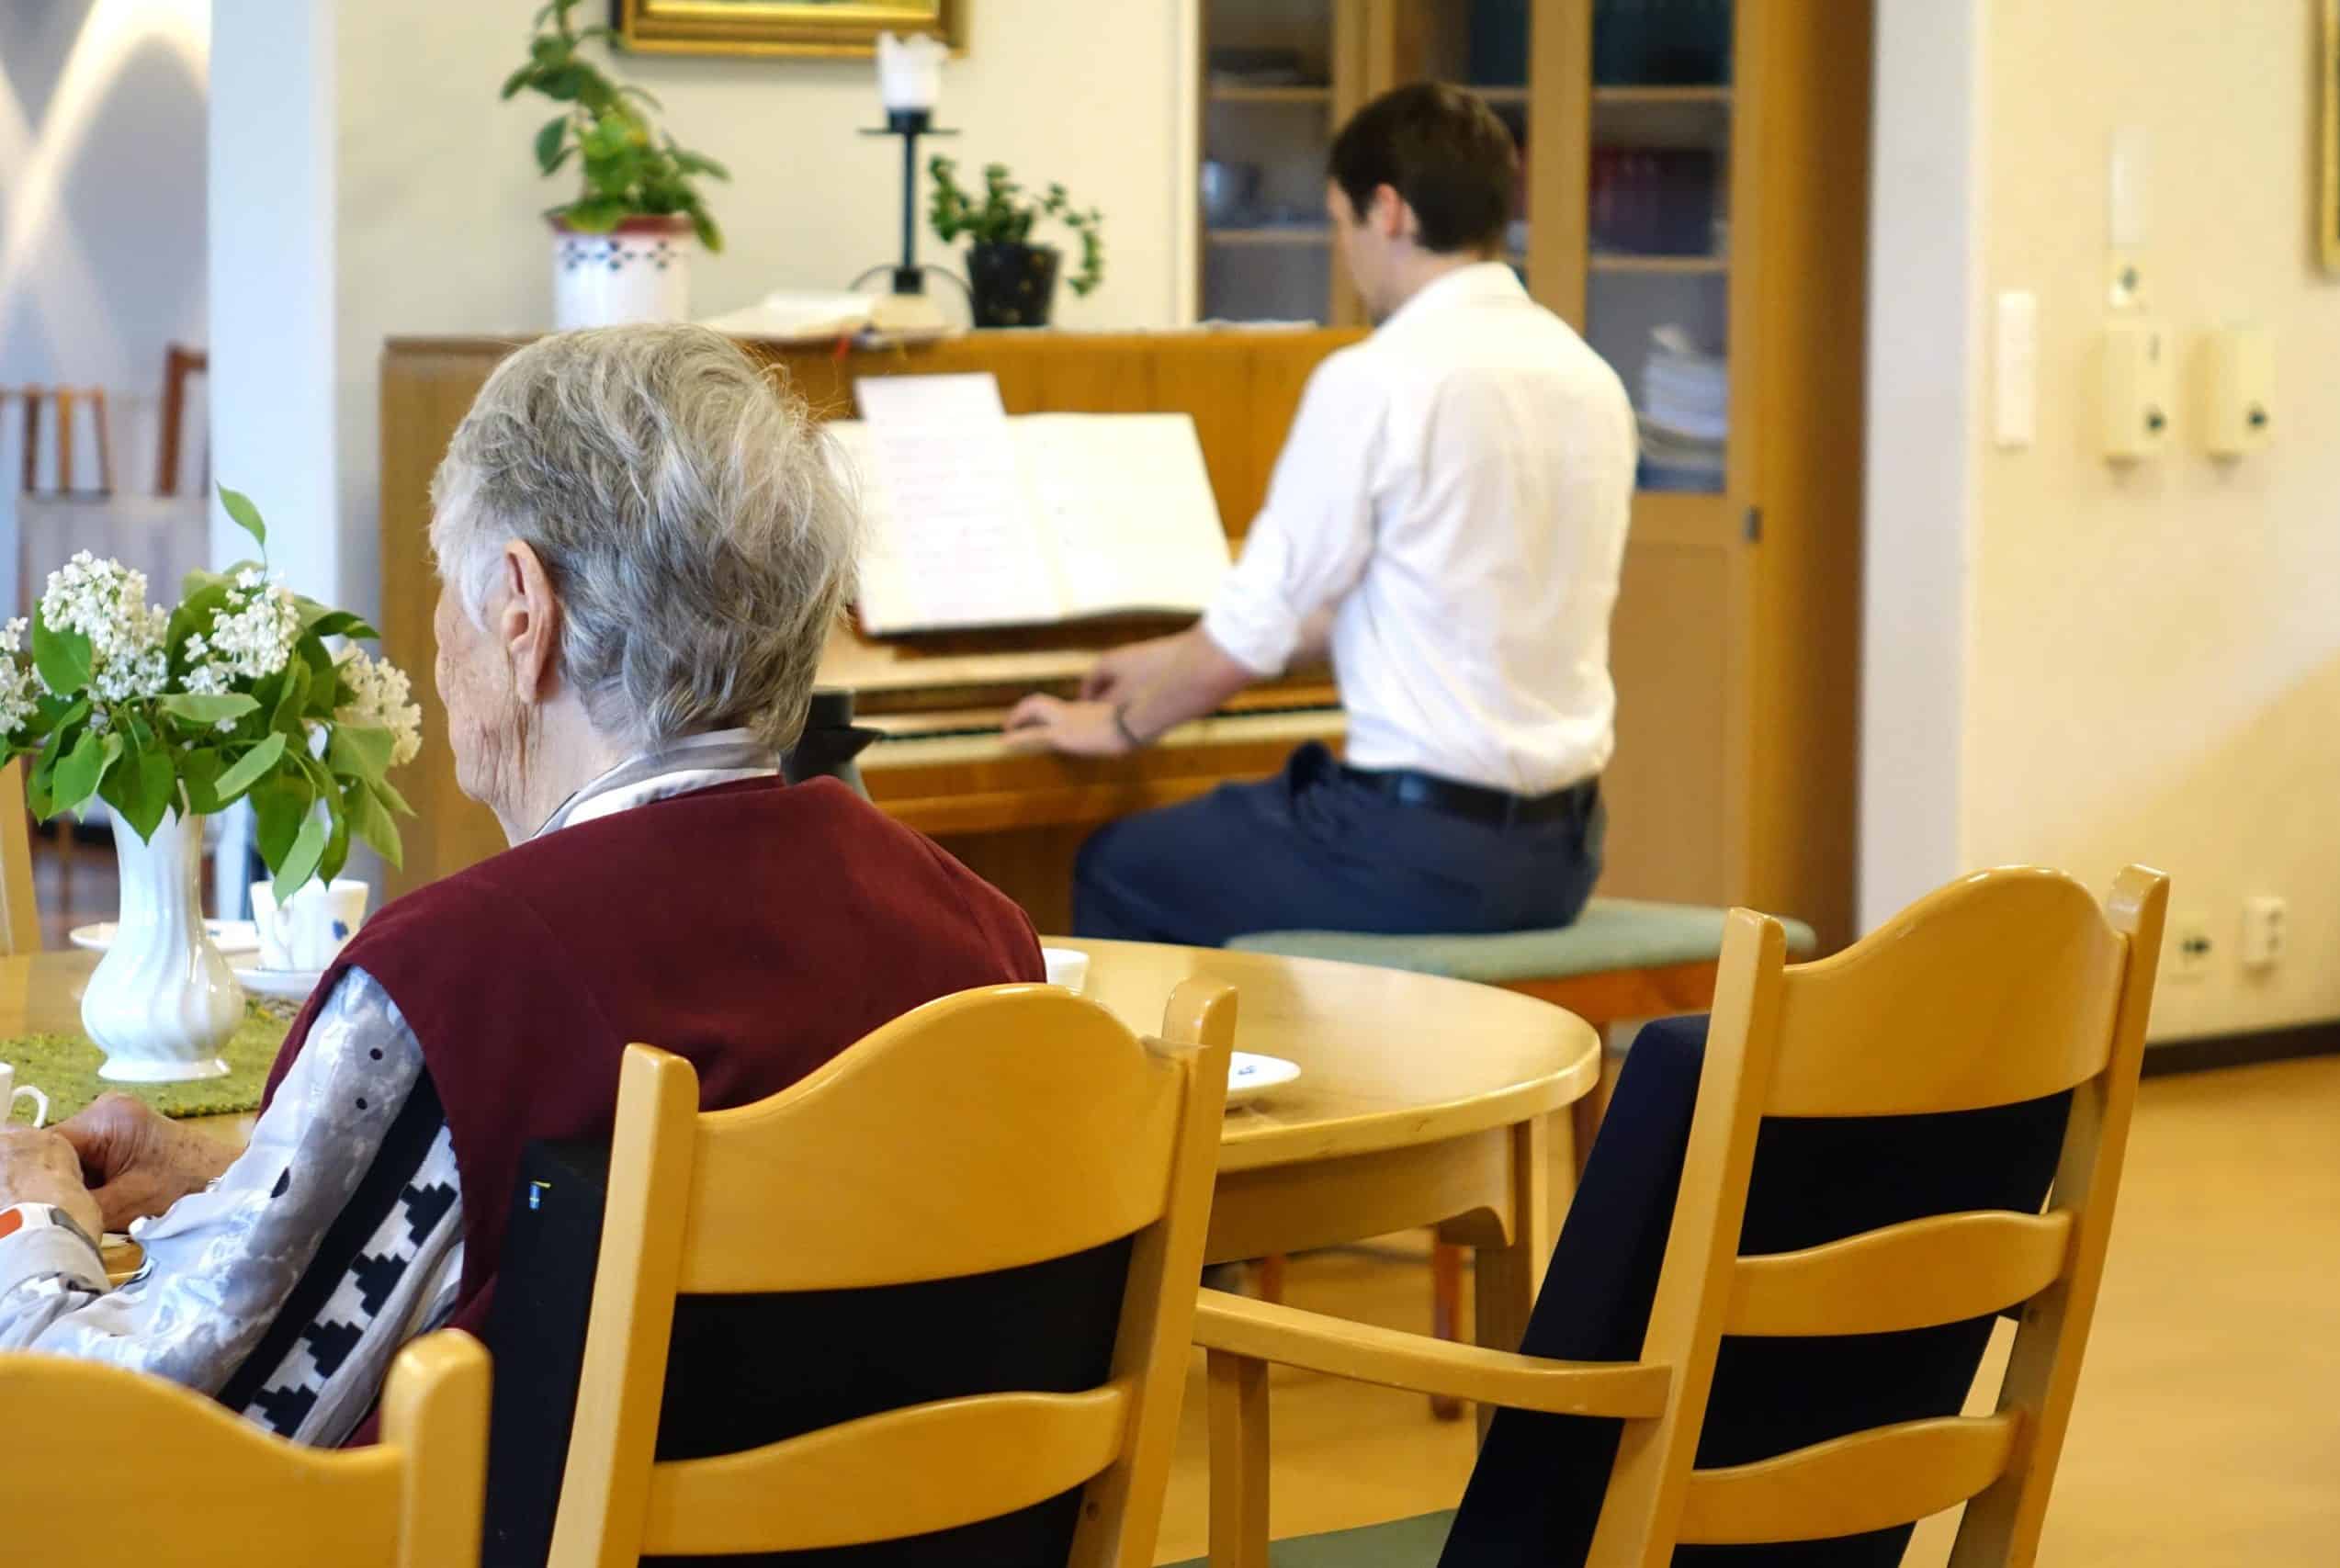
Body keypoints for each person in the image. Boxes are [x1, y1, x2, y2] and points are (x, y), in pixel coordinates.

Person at [0, 325, 1044, 1444]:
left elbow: (147, 1439)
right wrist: (238, 1181)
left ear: (520, 606)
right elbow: (516, 1211)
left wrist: (36, 1227)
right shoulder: (979, 937)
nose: (438, 636)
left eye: (445, 587)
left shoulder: (458, 985)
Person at [1007, 84, 1636, 948]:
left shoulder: (1376, 378)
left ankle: (1235, 1086)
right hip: (1562, 853)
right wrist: (1163, 654)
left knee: (1121, 863)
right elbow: (1413, 603)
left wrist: (1117, 725)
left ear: (1388, 211)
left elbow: (1250, 634)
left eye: (1342, 224)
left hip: (1415, 855)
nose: (1348, 256)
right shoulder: (1588, 376)